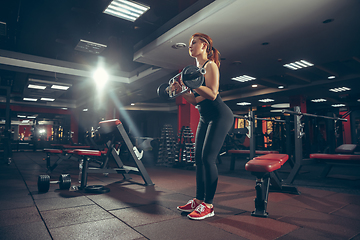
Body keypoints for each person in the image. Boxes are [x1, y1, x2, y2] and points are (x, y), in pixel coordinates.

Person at [173, 33, 234, 220]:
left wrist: (193, 83)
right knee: (198, 159)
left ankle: (208, 205)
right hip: (205, 117)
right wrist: (182, 90)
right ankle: (198, 200)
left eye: (193, 43)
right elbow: (196, 100)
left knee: (208, 159)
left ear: (204, 45)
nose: (189, 46)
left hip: (220, 115)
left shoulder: (210, 65)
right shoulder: (195, 70)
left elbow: (213, 94)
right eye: (189, 44)